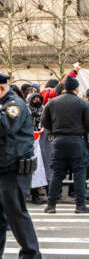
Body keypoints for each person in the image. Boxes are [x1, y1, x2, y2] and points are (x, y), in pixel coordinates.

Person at [41, 76, 89, 213]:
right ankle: (80, 205)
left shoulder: (52, 103)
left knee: (57, 174)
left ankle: (51, 205)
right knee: (79, 174)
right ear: (76, 88)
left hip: (58, 141)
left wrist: (55, 129)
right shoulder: (83, 103)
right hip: (77, 141)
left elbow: (44, 122)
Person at [0, 73, 42, 258]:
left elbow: (4, 127)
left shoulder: (13, 105)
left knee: (16, 213)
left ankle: (31, 254)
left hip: (13, 169)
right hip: (4, 167)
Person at [27, 92, 47, 205]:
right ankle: (31, 194)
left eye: (38, 99)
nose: (36, 101)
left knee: (37, 168)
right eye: (34, 99)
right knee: (30, 168)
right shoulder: (26, 110)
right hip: (28, 142)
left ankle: (35, 194)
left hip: (41, 142)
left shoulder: (43, 110)